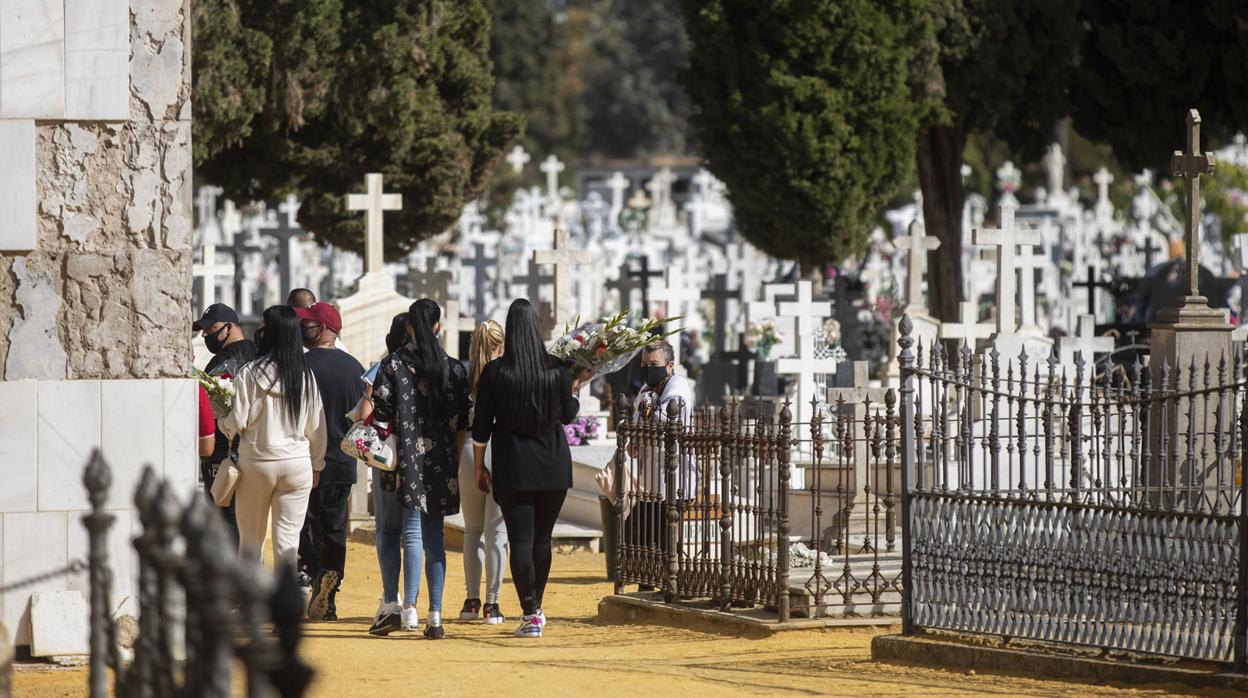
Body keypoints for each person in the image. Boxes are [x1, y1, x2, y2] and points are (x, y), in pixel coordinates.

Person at [473, 299, 582, 638]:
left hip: (513, 465)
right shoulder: (556, 370)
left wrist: (479, 467)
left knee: (519, 538)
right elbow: (567, 415)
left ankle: (530, 610)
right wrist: (574, 390)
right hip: (552, 465)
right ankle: (537, 607)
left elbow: (481, 426)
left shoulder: (496, 372)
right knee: (542, 539)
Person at [372, 299, 472, 640]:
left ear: (410, 328)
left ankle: (409, 608)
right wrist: (454, 457)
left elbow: (382, 418)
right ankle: (436, 615)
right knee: (435, 538)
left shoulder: (393, 365)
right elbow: (463, 420)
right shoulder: (455, 369)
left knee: (410, 532)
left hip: (407, 459)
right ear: (438, 327)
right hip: (443, 458)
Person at [219, 305, 327, 570]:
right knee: (288, 544)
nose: (258, 331)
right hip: (297, 463)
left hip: (257, 462)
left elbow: (237, 421)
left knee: (251, 541)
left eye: (262, 326)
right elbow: (316, 426)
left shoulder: (250, 373)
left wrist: (221, 420)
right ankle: (285, 605)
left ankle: (251, 605)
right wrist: (317, 465)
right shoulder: (305, 376)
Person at [295, 302, 365, 622]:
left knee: (303, 525)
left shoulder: (300, 364)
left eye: (309, 323)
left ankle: (314, 571)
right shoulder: (356, 368)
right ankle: (330, 595)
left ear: (324, 329)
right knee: (335, 529)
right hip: (343, 460)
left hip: (306, 459)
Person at [364, 314, 419, 636]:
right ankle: (411, 607)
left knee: (387, 529)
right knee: (413, 532)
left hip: (386, 456)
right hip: (420, 458)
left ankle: (390, 601)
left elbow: (365, 412)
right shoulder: (432, 364)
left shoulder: (385, 366)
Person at [627, 340, 695, 590]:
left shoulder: (678, 387)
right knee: (645, 532)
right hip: (650, 474)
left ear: (669, 365)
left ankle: (671, 583)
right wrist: (635, 438)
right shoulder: (647, 387)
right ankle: (648, 581)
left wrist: (646, 415)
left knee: (666, 533)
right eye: (644, 364)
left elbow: (664, 419)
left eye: (653, 364)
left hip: (673, 473)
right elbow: (639, 420)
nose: (647, 369)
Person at [192, 303, 258, 546]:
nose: (206, 336)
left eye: (211, 329)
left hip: (224, 451)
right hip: (254, 450)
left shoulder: (226, 360)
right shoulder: (257, 352)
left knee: (224, 516)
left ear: (229, 327)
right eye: (204, 331)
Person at [458, 320, 508, 625]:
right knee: (496, 531)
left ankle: (471, 600)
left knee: (473, 529)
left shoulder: (463, 375)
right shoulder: (504, 372)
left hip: (467, 449)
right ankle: (493, 604)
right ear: (500, 345)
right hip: (498, 448)